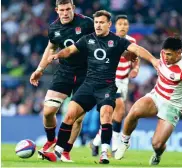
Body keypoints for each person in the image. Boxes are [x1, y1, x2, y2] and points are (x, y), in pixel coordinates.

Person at [39, 10, 158, 164]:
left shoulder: (117, 41)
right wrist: (58, 55)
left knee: (106, 116)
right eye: (96, 22)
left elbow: (137, 49)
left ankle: (104, 153)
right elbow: (70, 50)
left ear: (109, 24)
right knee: (69, 115)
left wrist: (154, 61)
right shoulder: (87, 39)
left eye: (102, 22)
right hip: (88, 85)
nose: (98, 25)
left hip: (106, 87)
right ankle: (58, 151)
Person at [114, 36, 182, 165]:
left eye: (169, 54)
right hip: (156, 95)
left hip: (172, 106)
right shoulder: (163, 55)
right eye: (164, 53)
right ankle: (124, 141)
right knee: (133, 111)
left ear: (179, 53)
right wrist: (143, 56)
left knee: (157, 144)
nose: (165, 57)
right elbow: (146, 54)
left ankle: (157, 154)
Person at [29, 0, 94, 162]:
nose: (65, 13)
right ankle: (51, 140)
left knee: (77, 117)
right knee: (48, 111)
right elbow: (50, 48)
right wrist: (40, 69)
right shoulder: (54, 28)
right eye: (62, 10)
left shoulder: (87, 23)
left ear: (73, 8)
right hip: (65, 72)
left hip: (86, 73)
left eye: (68, 9)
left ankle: (65, 151)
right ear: (57, 10)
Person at [90, 15, 140, 156]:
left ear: (128, 26)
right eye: (120, 24)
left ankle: (95, 142)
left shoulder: (132, 41)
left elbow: (136, 59)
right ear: (114, 26)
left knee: (114, 115)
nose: (123, 26)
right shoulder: (108, 40)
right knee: (120, 108)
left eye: (125, 24)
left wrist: (135, 69)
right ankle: (116, 145)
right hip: (109, 80)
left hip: (124, 81)